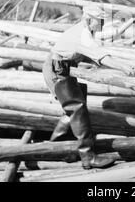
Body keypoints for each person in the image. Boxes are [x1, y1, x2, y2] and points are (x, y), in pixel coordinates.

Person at [42, 14, 115, 169]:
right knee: (77, 108)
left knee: (73, 108)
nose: (103, 23)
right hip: (57, 69)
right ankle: (88, 157)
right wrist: (123, 67)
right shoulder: (83, 33)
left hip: (61, 67)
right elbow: (97, 54)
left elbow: (87, 53)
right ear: (89, 20)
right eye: (100, 20)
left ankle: (57, 149)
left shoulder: (86, 30)